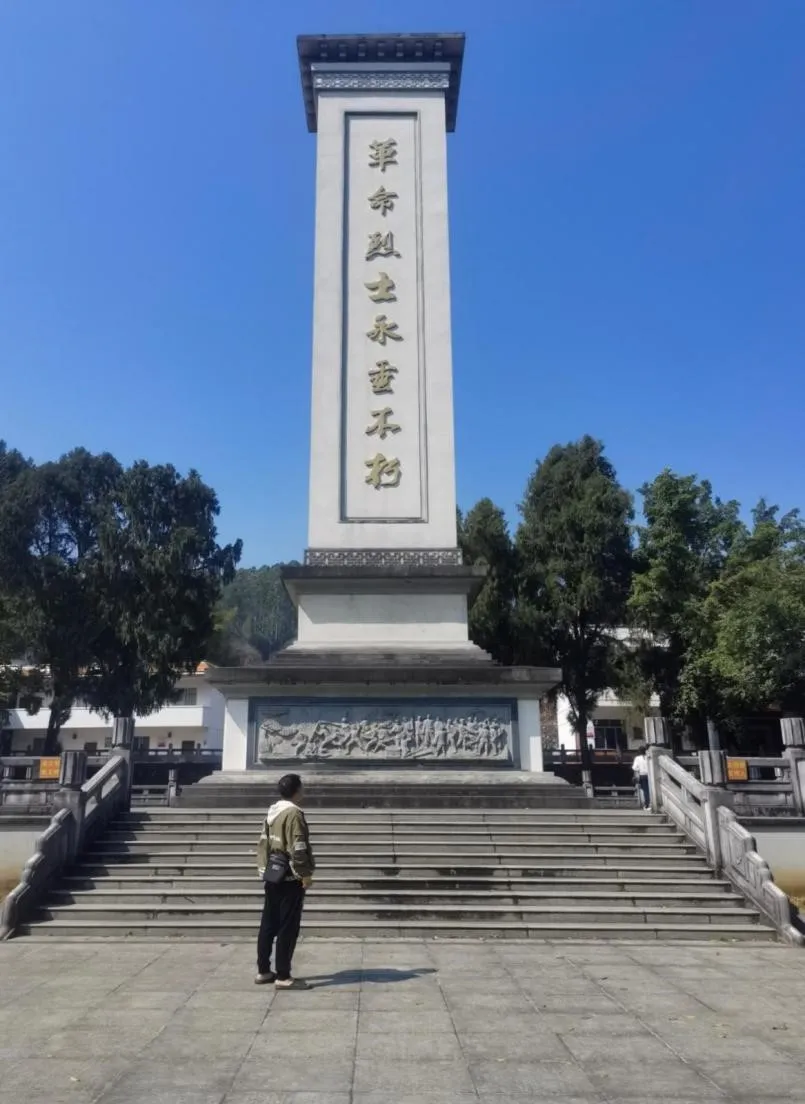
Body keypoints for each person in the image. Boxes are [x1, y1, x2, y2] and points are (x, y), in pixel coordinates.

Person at [255, 773, 315, 990]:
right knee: (288, 927)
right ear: (297, 790)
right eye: (302, 787)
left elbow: (263, 843)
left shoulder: (272, 812)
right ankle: (283, 975)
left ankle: (263, 970)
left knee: (268, 923)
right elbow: (298, 847)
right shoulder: (294, 813)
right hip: (290, 877)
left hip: (273, 874)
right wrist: (304, 874)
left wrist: (263, 869)